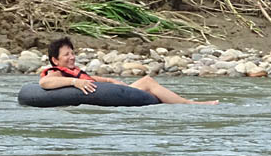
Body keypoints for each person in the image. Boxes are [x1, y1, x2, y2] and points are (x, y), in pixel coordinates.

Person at [40, 36, 218, 105]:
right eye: (66, 55)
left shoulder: (72, 71)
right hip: (103, 98)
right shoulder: (57, 72)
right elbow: (45, 82)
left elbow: (92, 79)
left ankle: (182, 102)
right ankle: (189, 104)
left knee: (147, 82)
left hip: (107, 94)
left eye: (72, 53)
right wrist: (75, 82)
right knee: (147, 81)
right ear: (55, 60)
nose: (72, 57)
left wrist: (111, 81)